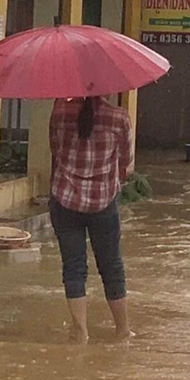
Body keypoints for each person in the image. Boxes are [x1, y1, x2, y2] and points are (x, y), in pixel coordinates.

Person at [49, 95, 134, 342]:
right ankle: (123, 331)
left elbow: (55, 151)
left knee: (74, 267)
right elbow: (125, 163)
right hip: (104, 202)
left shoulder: (59, 112)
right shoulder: (119, 117)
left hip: (64, 200)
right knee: (111, 266)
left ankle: (80, 332)